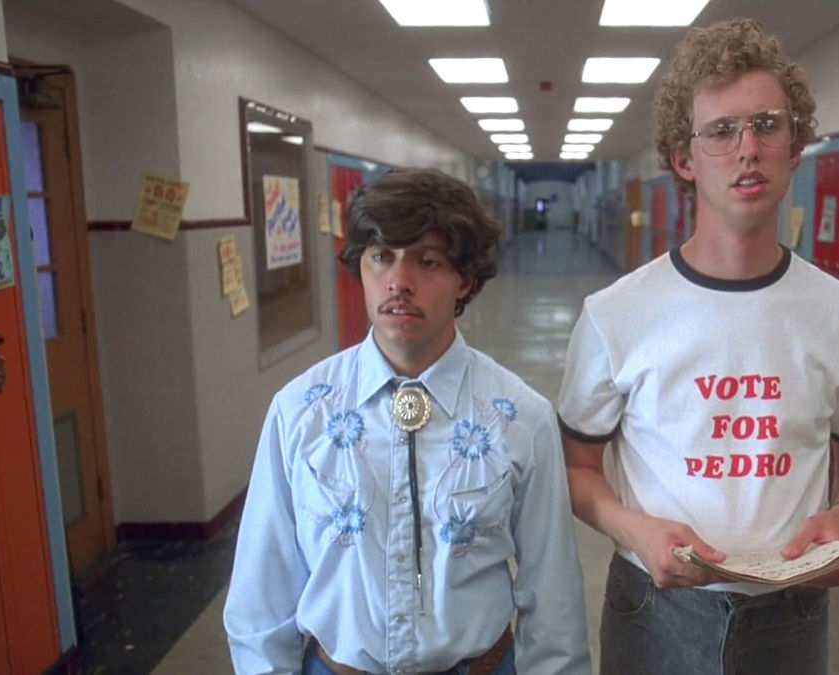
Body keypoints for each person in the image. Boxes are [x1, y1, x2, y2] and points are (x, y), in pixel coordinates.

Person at [557, 18, 839, 675]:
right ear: (683, 160)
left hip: (788, 614)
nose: (748, 148)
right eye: (721, 130)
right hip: (653, 610)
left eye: (768, 125)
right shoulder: (616, 314)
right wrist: (634, 529)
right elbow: (576, 468)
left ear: (794, 146)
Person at [225, 168, 591, 674]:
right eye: (382, 257)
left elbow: (553, 595)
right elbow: (261, 589)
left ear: (464, 279)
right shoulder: (302, 411)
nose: (399, 282)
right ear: (362, 268)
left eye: (428, 261)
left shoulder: (520, 416)